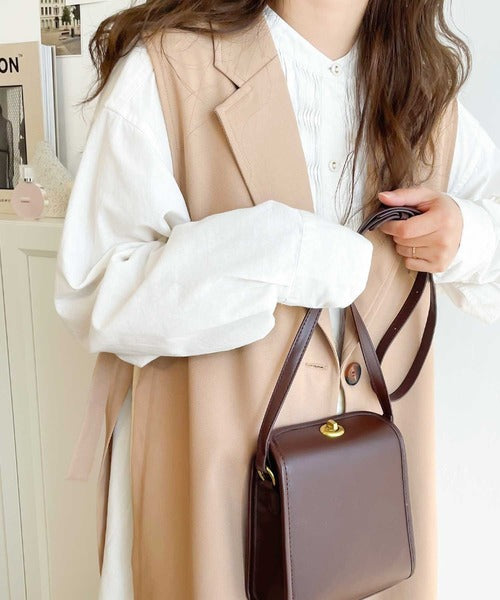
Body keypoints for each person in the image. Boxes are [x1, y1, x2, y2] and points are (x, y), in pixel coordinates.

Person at [54, 1, 500, 599]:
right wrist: (279, 252)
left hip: (372, 527)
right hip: (216, 496)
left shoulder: (423, 91)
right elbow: (96, 294)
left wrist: (468, 235)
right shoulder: (171, 69)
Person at [0, 103, 14, 189]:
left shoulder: (7, 124)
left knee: (2, 184)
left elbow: (10, 147)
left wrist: (11, 168)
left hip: (3, 158)